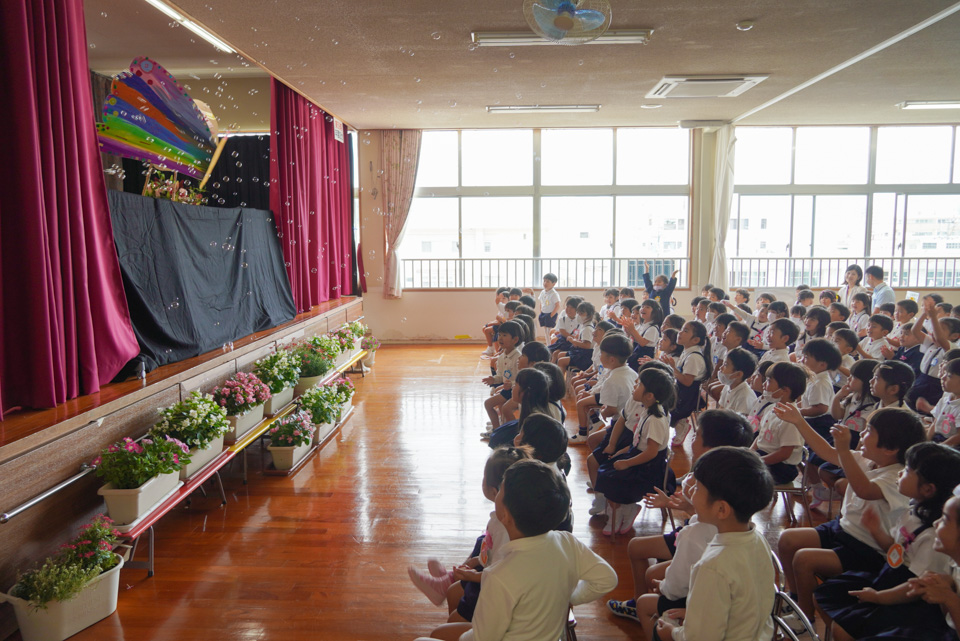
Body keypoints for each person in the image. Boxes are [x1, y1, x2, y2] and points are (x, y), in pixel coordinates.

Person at [417, 460, 618, 641]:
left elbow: (484, 638)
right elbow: (607, 578)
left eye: (501, 487)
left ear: (505, 515)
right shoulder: (567, 542)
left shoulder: (499, 575)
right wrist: (570, 597)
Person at [607, 410, 754, 636]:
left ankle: (648, 610)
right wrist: (676, 504)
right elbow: (704, 511)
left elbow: (706, 519)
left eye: (697, 436)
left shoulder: (713, 483)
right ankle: (644, 606)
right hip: (698, 536)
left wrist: (666, 588)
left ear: (711, 447)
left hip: (699, 543)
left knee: (650, 569)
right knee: (639, 550)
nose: (692, 439)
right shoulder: (722, 473)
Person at [774, 405, 926, 626]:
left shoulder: (897, 477)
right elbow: (826, 451)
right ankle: (797, 599)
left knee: (804, 559)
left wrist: (844, 451)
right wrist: (799, 421)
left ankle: (804, 619)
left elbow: (865, 489)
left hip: (867, 549)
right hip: (843, 529)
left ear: (890, 449)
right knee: (788, 540)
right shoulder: (869, 460)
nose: (862, 435)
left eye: (869, 432)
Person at [816, 443, 960, 641]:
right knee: (829, 596)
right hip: (892, 577)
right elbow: (898, 552)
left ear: (928, 489)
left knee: (845, 626)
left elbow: (915, 588)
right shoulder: (914, 511)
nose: (900, 473)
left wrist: (879, 597)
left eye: (907, 470)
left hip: (909, 599)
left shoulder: (933, 538)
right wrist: (877, 532)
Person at [654, 447, 776, 641]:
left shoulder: (712, 566)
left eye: (698, 488)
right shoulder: (757, 539)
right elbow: (744, 605)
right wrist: (696, 614)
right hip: (756, 632)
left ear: (721, 509)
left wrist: (672, 632)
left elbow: (698, 638)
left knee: (659, 627)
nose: (691, 492)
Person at [408, 446, 530, 616]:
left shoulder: (504, 528)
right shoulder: (505, 518)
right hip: (490, 574)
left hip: (493, 589)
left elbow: (501, 573)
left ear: (495, 492)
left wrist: (472, 576)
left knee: (456, 603)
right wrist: (476, 560)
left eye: (484, 479)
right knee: (481, 544)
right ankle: (449, 578)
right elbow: (494, 552)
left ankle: (451, 591)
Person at [592, 368, 677, 536]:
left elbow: (651, 452)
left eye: (639, 385)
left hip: (649, 468)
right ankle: (623, 509)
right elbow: (639, 442)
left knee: (611, 476)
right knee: (606, 468)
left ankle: (624, 510)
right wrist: (623, 452)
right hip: (638, 456)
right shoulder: (647, 410)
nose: (634, 387)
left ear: (649, 395)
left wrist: (626, 462)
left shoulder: (656, 419)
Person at [571, 333, 637, 442]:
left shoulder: (613, 379)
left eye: (601, 353)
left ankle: (582, 434)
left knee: (581, 403)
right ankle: (596, 422)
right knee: (586, 400)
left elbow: (612, 409)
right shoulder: (631, 372)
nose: (599, 356)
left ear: (611, 359)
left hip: (621, 421)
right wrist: (592, 393)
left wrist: (603, 412)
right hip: (627, 412)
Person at [661, 321, 711, 447]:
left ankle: (682, 424)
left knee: (665, 403)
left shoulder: (694, 357)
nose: (680, 333)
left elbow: (687, 382)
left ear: (695, 340)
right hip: (680, 388)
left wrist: (673, 368)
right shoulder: (687, 351)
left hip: (688, 394)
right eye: (681, 329)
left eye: (685, 331)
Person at [481, 321, 524, 431]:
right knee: (494, 405)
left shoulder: (518, 357)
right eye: (499, 335)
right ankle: (500, 430)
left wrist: (512, 384)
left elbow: (523, 379)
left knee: (492, 405)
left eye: (504, 335)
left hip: (516, 391)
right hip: (507, 390)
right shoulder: (501, 357)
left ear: (515, 340)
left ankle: (507, 431)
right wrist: (493, 379)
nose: (500, 338)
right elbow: (501, 376)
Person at [927, 358, 960, 446]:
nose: (943, 377)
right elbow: (935, 423)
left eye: (949, 376)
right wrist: (925, 442)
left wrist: (938, 448)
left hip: (952, 445)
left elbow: (958, 437)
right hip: (938, 437)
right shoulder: (946, 395)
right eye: (944, 373)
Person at [716, 347, 758, 415]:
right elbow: (721, 409)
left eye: (726, 365)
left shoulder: (745, 397)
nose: (721, 368)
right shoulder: (728, 386)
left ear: (738, 374)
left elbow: (740, 423)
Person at [480, 287, 510, 358]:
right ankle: (491, 348)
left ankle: (493, 350)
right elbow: (498, 318)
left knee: (487, 330)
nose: (501, 300)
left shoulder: (506, 307)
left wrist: (492, 323)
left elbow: (502, 321)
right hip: (499, 324)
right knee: (485, 328)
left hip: (502, 326)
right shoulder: (502, 307)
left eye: (503, 298)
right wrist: (491, 322)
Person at [536, 273, 561, 340]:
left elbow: (557, 305)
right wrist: (541, 312)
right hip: (544, 313)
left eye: (548, 281)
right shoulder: (542, 292)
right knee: (546, 331)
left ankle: (551, 345)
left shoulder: (554, 294)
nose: (545, 283)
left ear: (553, 283)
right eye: (544, 281)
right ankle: (548, 345)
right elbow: (541, 302)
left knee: (550, 331)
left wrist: (551, 315)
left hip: (550, 314)